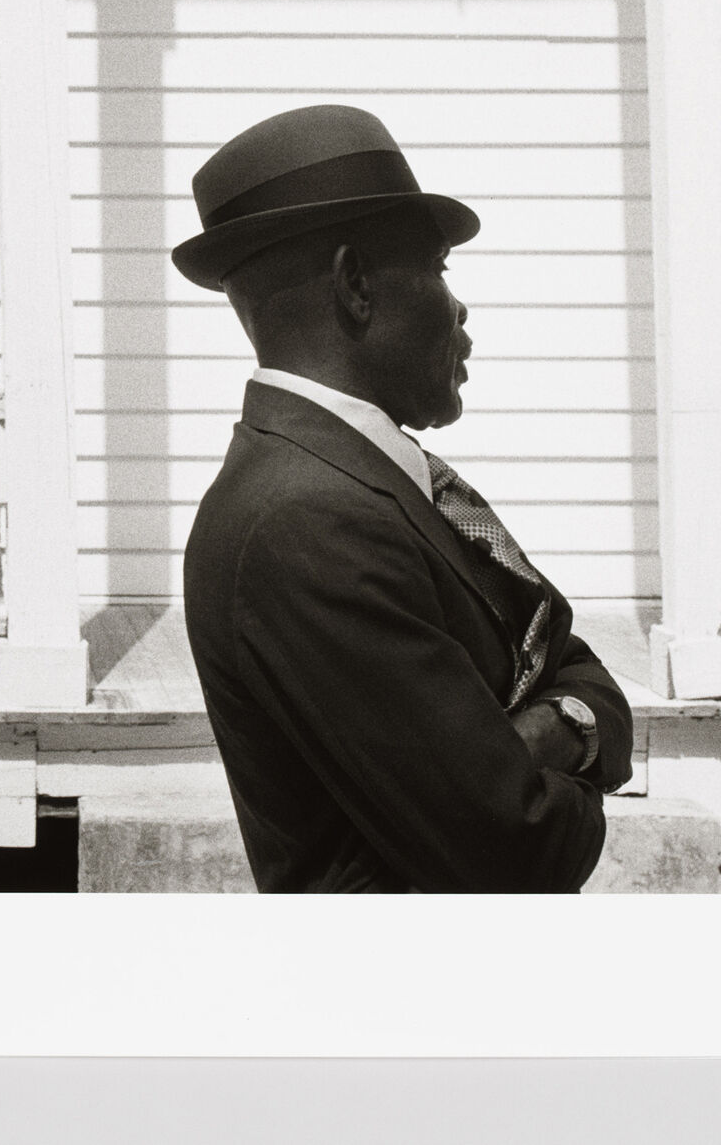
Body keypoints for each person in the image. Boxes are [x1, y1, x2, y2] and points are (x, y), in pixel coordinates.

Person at [174, 104, 633, 892]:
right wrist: (567, 748)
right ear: (355, 284)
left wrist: (554, 726)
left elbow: (573, 661)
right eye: (440, 267)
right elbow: (516, 845)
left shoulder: (370, 478)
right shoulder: (306, 521)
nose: (459, 308)